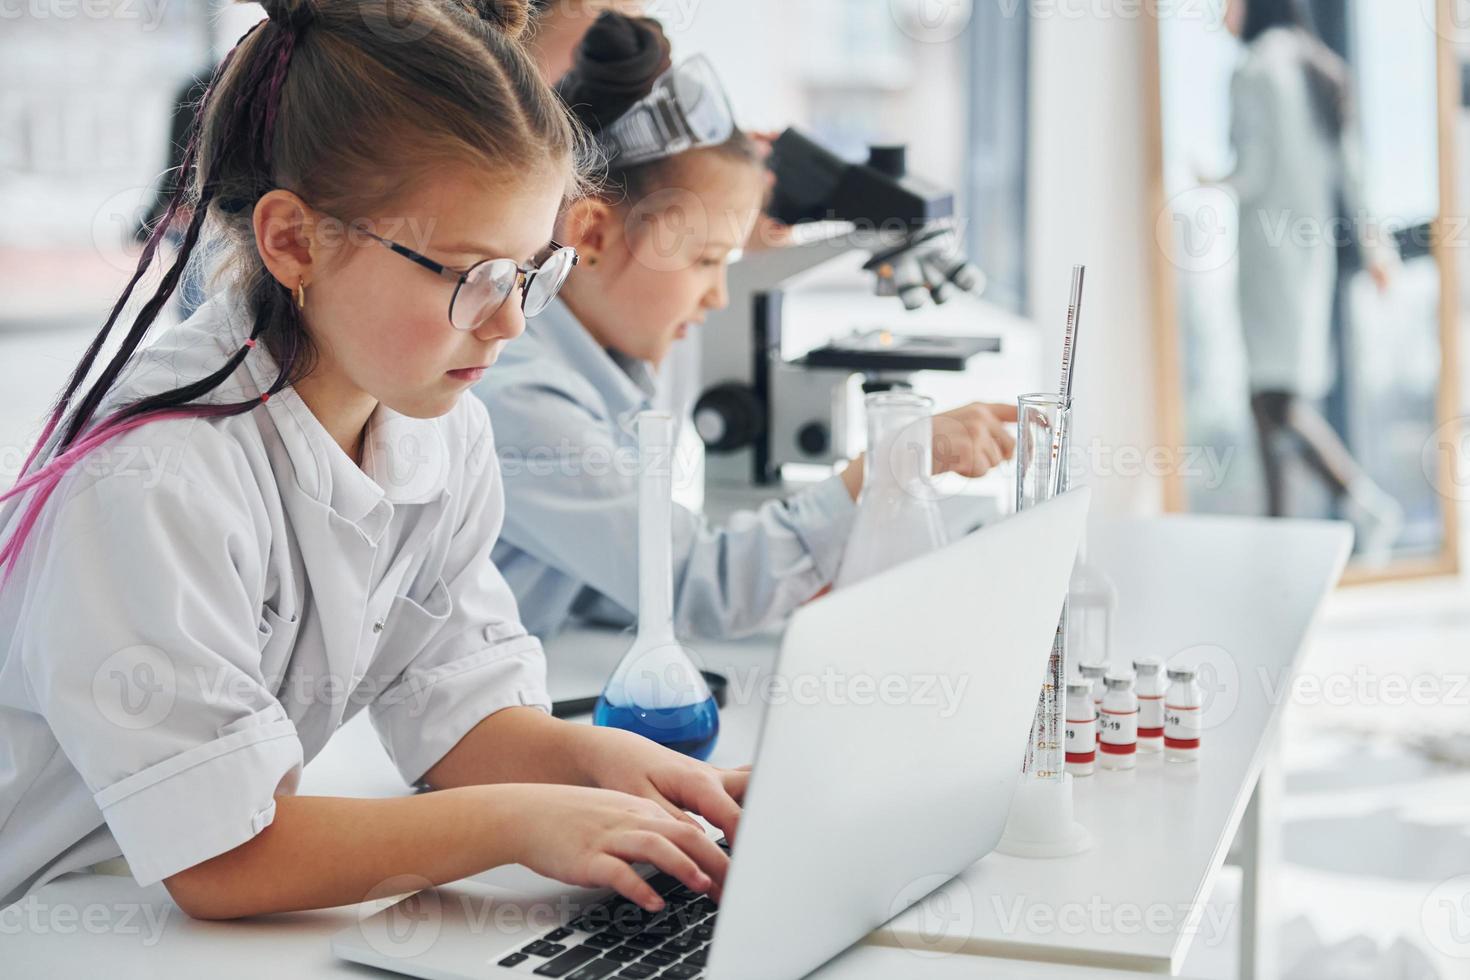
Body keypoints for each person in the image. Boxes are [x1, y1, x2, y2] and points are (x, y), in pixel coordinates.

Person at [0, 0, 744, 919]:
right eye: (469, 276)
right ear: (293, 241)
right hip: (35, 919)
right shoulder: (156, 478)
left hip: (132, 914)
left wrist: (614, 773)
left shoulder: (436, 424)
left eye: (528, 274)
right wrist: (524, 822)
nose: (510, 322)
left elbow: (457, 706)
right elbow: (223, 860)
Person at [475, 12, 1018, 641]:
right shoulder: (518, 394)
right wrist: (887, 467)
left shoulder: (605, 359)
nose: (717, 297)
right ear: (590, 234)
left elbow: (605, 580)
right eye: (706, 261)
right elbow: (697, 583)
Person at [1213, 0, 1401, 548]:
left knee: (1275, 399)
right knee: (1271, 396)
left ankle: (1361, 502)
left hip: (1269, 255)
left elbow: (1253, 171)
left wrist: (1206, 180)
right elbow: (1350, 171)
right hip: (1307, 250)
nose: (1222, 12)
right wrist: (1374, 247)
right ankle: (1281, 532)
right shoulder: (1320, 68)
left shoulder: (1253, 69)